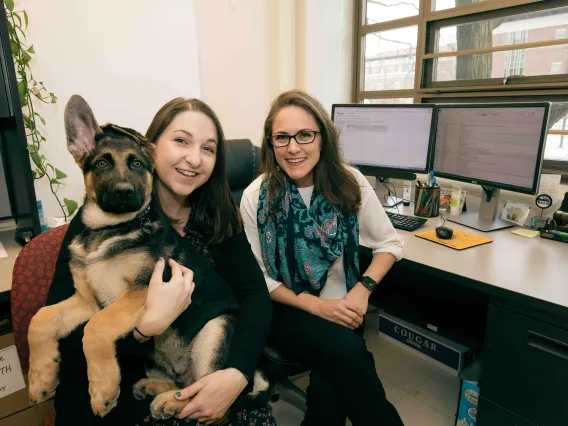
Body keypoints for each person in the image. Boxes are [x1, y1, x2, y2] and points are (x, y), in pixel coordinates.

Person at [45, 98, 276, 426]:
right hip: (121, 377)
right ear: (151, 148)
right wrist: (143, 328)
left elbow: (254, 296)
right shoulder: (106, 216)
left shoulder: (216, 213)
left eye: (208, 148)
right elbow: (66, 340)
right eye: (181, 140)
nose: (194, 158)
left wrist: (237, 374)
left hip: (208, 360)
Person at [240, 89, 405, 426]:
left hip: (344, 306)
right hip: (286, 308)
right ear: (270, 144)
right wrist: (318, 307)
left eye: (305, 135)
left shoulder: (349, 182)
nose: (294, 148)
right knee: (347, 352)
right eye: (282, 138)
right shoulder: (256, 196)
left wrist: (361, 291)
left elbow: (389, 244)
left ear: (323, 138)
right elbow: (260, 279)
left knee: (330, 395)